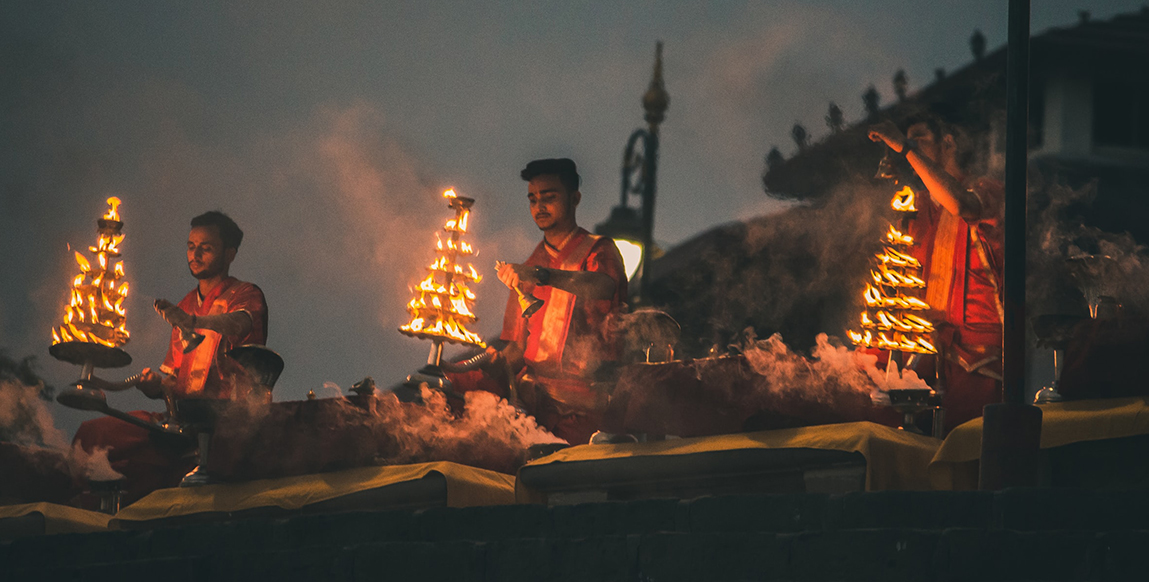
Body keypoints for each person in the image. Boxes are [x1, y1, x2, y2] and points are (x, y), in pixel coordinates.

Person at [72, 211, 267, 501]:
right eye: (191, 246)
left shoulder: (245, 294)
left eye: (206, 247)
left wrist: (192, 322)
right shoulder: (185, 305)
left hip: (226, 423)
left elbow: (239, 323)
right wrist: (156, 387)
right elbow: (175, 383)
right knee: (92, 435)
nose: (195, 254)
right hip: (178, 423)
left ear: (229, 254)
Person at [473, 158, 627, 444]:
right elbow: (517, 348)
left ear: (575, 199)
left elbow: (603, 287)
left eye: (549, 197)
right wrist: (493, 362)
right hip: (533, 410)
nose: (539, 207)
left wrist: (542, 276)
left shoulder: (598, 250)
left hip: (587, 410)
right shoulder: (528, 266)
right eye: (533, 200)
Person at [868, 111, 1004, 431]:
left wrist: (906, 148)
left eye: (920, 138)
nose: (910, 146)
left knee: (969, 447)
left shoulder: (988, 190)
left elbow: (961, 205)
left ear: (949, 142)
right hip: (931, 354)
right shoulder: (921, 205)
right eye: (909, 139)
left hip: (981, 358)